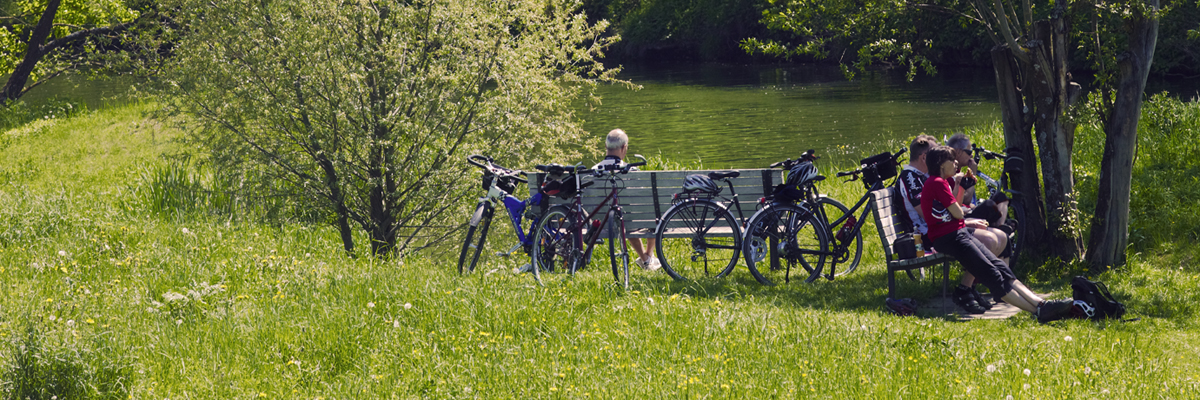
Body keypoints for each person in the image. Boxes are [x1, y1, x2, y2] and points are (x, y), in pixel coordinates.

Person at [921, 145, 1073, 321]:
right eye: (951, 160)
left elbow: (954, 211)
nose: (956, 163)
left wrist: (961, 187)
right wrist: (961, 199)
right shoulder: (937, 182)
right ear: (941, 163)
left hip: (959, 233)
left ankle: (1041, 304)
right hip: (950, 238)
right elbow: (958, 213)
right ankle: (1038, 312)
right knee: (992, 274)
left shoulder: (941, 182)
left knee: (1000, 267)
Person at [897, 135, 1009, 314]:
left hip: (946, 226)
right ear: (925, 157)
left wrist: (961, 187)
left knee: (1001, 237)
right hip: (928, 235)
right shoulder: (910, 178)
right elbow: (928, 215)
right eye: (936, 153)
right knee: (989, 240)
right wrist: (966, 221)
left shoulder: (928, 176)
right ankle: (966, 290)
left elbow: (952, 204)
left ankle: (975, 288)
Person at [593, 129, 660, 271]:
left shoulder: (593, 171)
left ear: (606, 147)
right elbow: (643, 199)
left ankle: (646, 259)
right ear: (624, 147)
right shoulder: (631, 171)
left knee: (626, 216)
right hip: (628, 221)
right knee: (645, 214)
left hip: (599, 224)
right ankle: (648, 257)